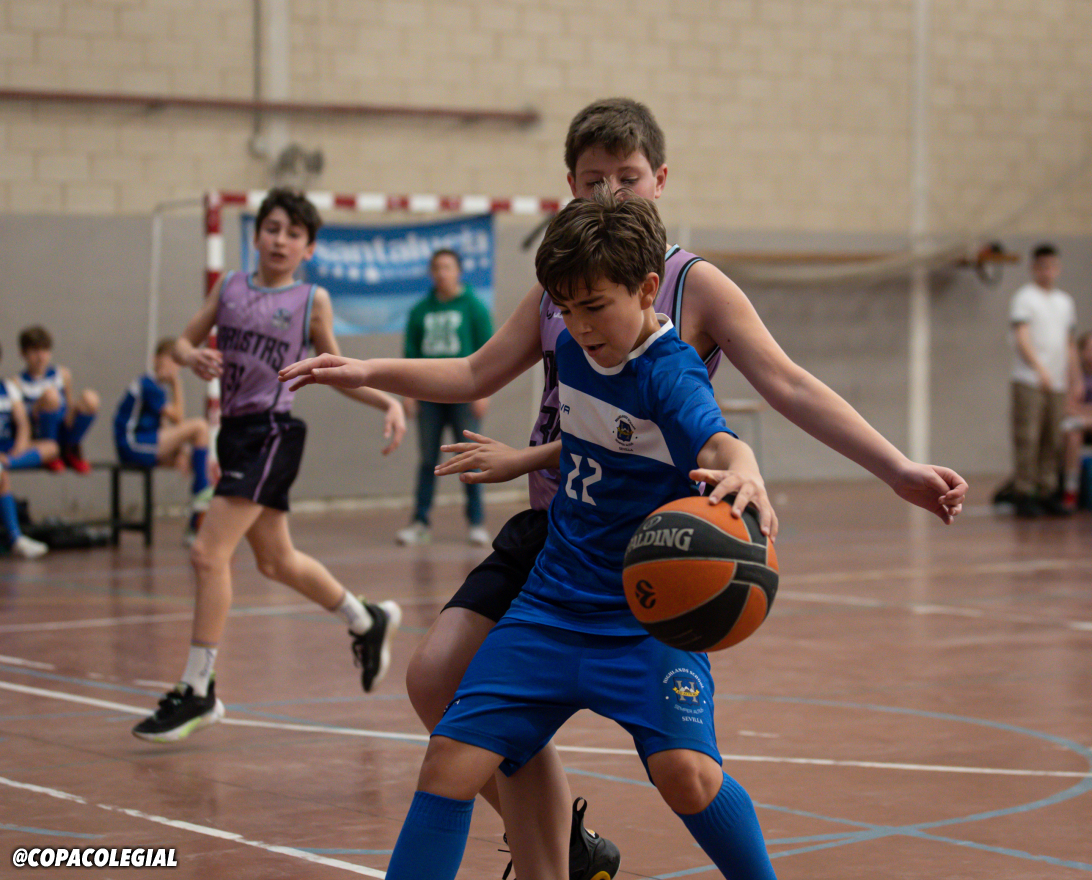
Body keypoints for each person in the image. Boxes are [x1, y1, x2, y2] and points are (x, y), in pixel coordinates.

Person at [281, 97, 968, 879]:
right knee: (448, 743)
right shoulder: (575, 304)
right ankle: (553, 856)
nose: (577, 323)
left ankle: (574, 850)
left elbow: (738, 413)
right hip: (557, 570)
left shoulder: (675, 322)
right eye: (592, 179)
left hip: (647, 577)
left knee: (686, 776)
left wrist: (781, 465)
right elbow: (548, 405)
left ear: (657, 194)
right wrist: (383, 378)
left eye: (627, 177)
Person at [131, 188, 408, 743]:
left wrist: (387, 401)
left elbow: (334, 369)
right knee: (276, 562)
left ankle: (198, 688)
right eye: (273, 228)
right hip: (235, 434)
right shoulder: (229, 287)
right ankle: (366, 619)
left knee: (208, 553)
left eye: (294, 234)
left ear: (308, 248)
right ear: (256, 235)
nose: (281, 240)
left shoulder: (311, 300)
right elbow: (180, 344)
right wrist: (191, 356)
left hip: (272, 432)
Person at [396, 248, 494, 547]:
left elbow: (489, 351)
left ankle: (476, 522)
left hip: (464, 394)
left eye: (447, 267)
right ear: (431, 272)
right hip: (427, 396)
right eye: (437, 267)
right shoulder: (419, 310)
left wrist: (485, 391)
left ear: (458, 271)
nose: (442, 273)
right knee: (428, 460)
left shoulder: (474, 307)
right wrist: (408, 393)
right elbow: (410, 355)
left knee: (469, 457)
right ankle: (420, 522)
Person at [114, 337, 214, 544]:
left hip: (146, 442)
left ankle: (195, 525)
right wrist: (177, 383)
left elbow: (165, 428)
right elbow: (178, 418)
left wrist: (179, 451)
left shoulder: (157, 388)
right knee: (200, 427)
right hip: (132, 444)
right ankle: (200, 493)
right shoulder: (149, 384)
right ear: (156, 359)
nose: (173, 367)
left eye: (177, 363)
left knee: (195, 461)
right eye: (170, 360)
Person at [1009, 243, 1080, 517]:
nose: (1047, 272)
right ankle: (1024, 491)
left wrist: (1074, 377)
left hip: (1058, 382)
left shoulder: (1065, 302)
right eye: (1042, 267)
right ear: (1034, 268)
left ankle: (1047, 489)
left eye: (1052, 267)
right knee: (1029, 436)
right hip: (1030, 380)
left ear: (1058, 268)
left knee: (1053, 437)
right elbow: (1022, 337)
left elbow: (1069, 343)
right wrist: (1039, 368)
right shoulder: (1025, 298)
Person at [15, 325, 100, 474]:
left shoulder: (62, 374)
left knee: (90, 398)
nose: (40, 356)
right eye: (35, 350)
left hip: (62, 428)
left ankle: (71, 448)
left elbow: (69, 406)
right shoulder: (17, 382)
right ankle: (51, 453)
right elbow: (23, 420)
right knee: (51, 396)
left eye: (45, 350)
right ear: (23, 353)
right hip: (39, 434)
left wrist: (72, 417)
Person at [0, 342, 56, 558]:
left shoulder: (7, 387)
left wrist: (19, 448)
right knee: (2, 477)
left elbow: (23, 424)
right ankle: (16, 538)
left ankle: (6, 463)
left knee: (51, 447)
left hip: (8, 449)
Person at [1062, 330, 1092, 508]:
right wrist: (1091, 412)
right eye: (1090, 349)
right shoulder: (1075, 375)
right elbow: (1067, 406)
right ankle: (1071, 490)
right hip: (1080, 425)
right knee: (1073, 435)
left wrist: (1084, 413)